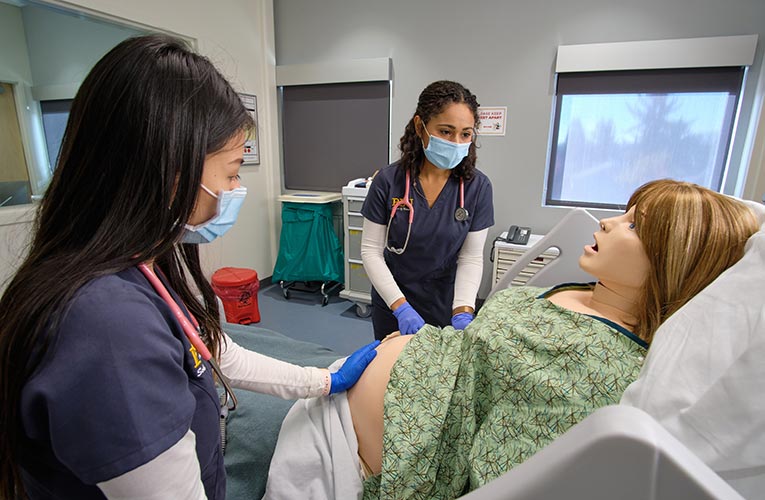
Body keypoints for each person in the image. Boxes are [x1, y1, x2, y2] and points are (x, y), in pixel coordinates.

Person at [0, 34, 379, 500]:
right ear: (170, 168)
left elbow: (209, 350)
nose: (238, 187)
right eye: (234, 170)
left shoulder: (139, 265)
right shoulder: (107, 327)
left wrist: (321, 380)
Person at [264, 179, 759, 499]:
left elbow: (508, 467)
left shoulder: (603, 366)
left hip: (369, 447)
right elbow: (373, 252)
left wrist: (461, 311)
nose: (608, 219)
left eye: (634, 224)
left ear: (671, 261)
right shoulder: (578, 289)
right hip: (358, 378)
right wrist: (402, 314)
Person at [361, 80, 494, 340]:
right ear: (420, 126)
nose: (456, 142)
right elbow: (370, 251)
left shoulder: (478, 187)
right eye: (446, 131)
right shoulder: (389, 181)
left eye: (465, 134)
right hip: (394, 301)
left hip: (447, 302)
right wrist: (400, 307)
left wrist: (464, 310)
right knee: (392, 373)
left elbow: (471, 258)